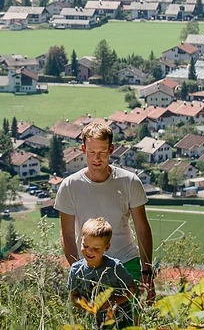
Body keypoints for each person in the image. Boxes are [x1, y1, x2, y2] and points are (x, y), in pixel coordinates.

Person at [54, 123, 156, 303]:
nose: (97, 158)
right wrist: (79, 271)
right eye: (91, 152)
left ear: (111, 149)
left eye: (102, 152)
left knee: (129, 321)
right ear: (83, 149)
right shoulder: (69, 186)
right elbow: (67, 234)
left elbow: (142, 228)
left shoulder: (130, 182)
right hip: (90, 267)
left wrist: (147, 271)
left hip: (127, 263)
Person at [67, 217, 137, 329]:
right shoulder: (76, 270)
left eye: (96, 248)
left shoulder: (115, 267)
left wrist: (115, 301)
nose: (89, 251)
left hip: (120, 322)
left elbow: (132, 289)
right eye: (86, 246)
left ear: (107, 247)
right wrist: (87, 307)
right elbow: (73, 297)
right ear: (81, 241)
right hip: (91, 323)